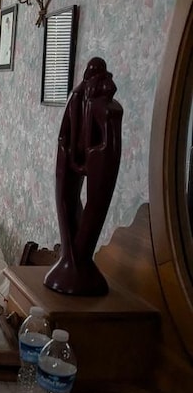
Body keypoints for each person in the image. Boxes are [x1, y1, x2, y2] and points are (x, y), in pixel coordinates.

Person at [44, 57, 123, 296]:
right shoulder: (78, 96)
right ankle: (72, 256)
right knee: (68, 202)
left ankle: (77, 258)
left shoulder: (107, 106)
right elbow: (68, 131)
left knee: (93, 207)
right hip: (71, 154)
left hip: (100, 157)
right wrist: (72, 155)